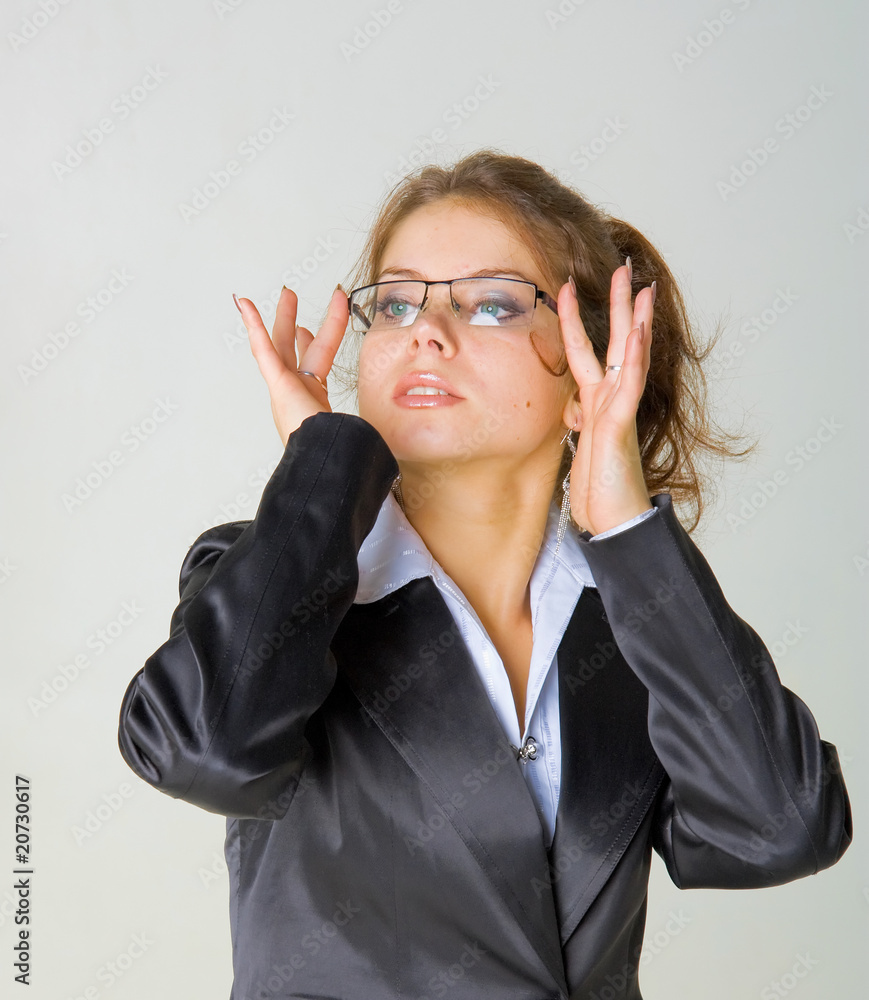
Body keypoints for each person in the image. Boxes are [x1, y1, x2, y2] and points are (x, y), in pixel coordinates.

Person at [117, 149, 851, 1000]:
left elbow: (780, 827)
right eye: (396, 304)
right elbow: (199, 752)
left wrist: (628, 534)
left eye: (492, 304)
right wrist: (319, 466)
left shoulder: (633, 621)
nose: (424, 331)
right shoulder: (275, 580)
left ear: (586, 381)